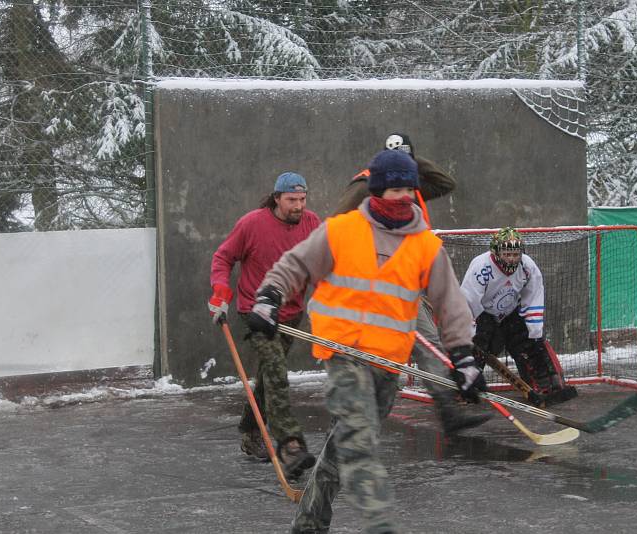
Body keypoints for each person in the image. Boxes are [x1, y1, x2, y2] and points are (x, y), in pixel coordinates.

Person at [247, 150, 486, 533]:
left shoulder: (424, 245)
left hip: (388, 363)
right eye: (395, 188)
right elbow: (295, 264)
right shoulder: (343, 230)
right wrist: (268, 297)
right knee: (359, 445)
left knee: (343, 448)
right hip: (343, 354)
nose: (404, 195)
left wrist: (464, 357)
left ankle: (308, 523)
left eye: (409, 187)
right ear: (376, 191)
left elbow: (451, 302)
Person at [334, 132, 490, 435]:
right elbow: (336, 226)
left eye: (408, 162)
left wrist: (413, 161)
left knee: (429, 343)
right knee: (371, 365)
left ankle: (447, 409)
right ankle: (344, 426)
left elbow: (446, 184)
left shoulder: (411, 186)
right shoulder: (367, 185)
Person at [207, 171, 320, 477]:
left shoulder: (311, 223)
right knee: (276, 373)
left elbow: (323, 263)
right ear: (276, 198)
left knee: (268, 375)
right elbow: (222, 258)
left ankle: (249, 429)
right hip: (255, 312)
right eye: (291, 200)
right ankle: (290, 445)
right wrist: (220, 292)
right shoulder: (251, 224)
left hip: (290, 313)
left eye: (302, 199)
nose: (298, 206)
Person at [460, 227, 578, 405]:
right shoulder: (481, 267)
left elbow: (534, 295)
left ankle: (546, 385)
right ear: (496, 252)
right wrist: (470, 331)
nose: (512, 259)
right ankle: (465, 389)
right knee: (477, 347)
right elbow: (468, 301)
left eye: (515, 254)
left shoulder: (527, 266)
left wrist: (534, 329)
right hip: (483, 313)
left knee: (529, 342)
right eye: (507, 254)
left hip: (511, 310)